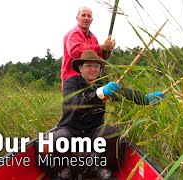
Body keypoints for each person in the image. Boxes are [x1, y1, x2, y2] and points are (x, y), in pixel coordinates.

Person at [48, 50, 165, 179]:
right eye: (88, 65)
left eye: (96, 66)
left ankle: (102, 168)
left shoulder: (102, 83)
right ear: (80, 68)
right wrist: (98, 94)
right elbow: (72, 103)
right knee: (60, 137)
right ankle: (64, 170)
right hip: (71, 129)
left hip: (93, 131)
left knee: (111, 131)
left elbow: (125, 93)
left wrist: (145, 98)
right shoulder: (71, 82)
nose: (93, 69)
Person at [61, 6, 115, 90]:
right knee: (77, 102)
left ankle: (140, 98)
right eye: (83, 15)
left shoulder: (93, 37)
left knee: (113, 90)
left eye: (89, 16)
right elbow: (76, 51)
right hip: (73, 79)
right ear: (77, 18)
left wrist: (107, 50)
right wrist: (102, 47)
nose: (86, 18)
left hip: (90, 79)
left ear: (92, 20)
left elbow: (99, 58)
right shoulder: (74, 33)